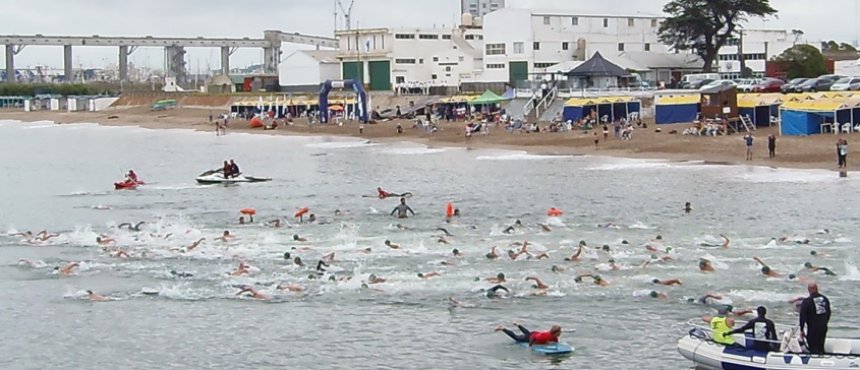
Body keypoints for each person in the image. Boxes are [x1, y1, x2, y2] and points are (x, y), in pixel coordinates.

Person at [799, 283, 831, 354]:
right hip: (823, 327)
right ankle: (822, 355)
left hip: (813, 328)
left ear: (809, 290)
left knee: (813, 347)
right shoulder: (825, 299)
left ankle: (814, 357)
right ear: (817, 289)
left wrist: (801, 329)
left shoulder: (807, 301)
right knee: (820, 346)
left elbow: (802, 316)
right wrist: (825, 322)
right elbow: (829, 312)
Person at [495, 322, 562, 346]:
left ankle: (517, 324)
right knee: (516, 338)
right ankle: (502, 328)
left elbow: (555, 341)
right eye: (560, 331)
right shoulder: (544, 337)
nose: (561, 332)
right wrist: (530, 346)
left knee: (527, 333)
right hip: (532, 337)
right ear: (556, 332)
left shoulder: (554, 336)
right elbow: (533, 338)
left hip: (535, 333)